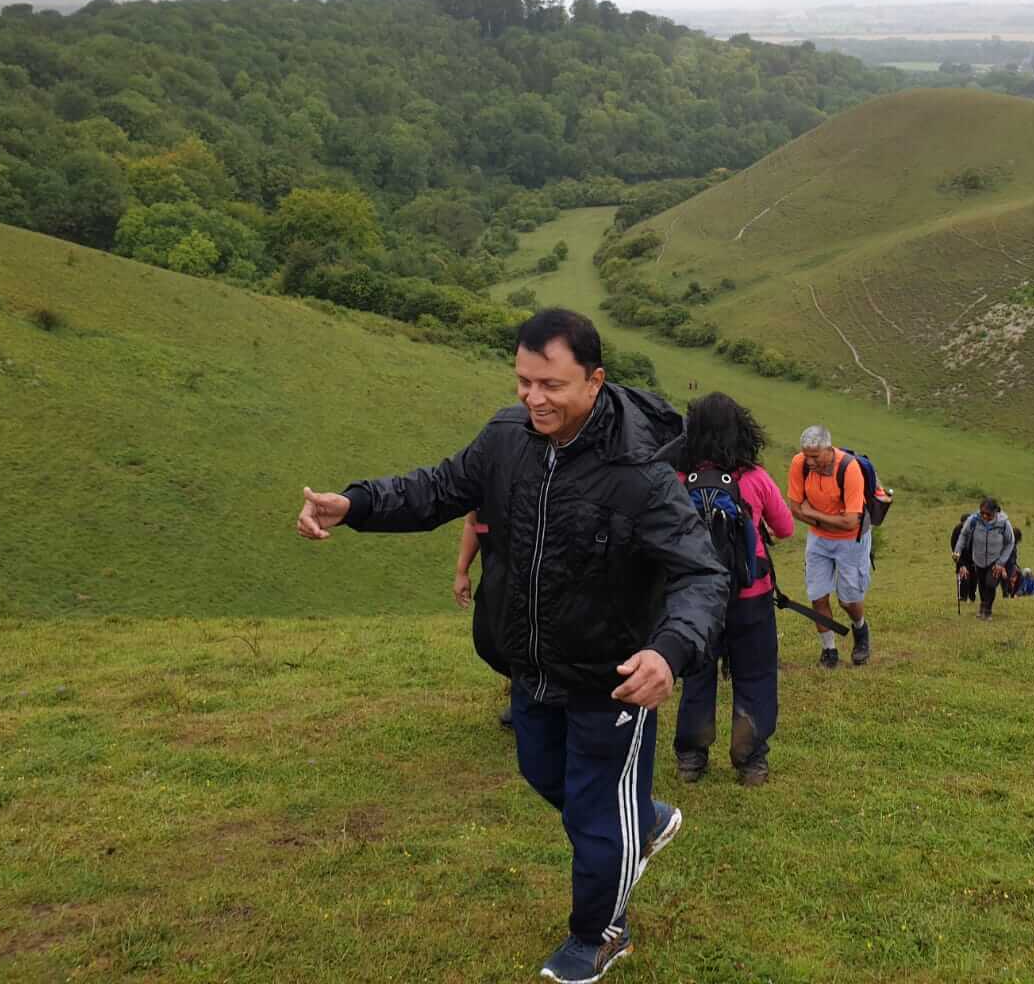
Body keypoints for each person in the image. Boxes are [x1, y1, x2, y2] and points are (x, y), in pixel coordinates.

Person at [296, 308, 729, 984]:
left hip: (612, 675)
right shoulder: (506, 440)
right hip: (530, 666)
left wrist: (669, 653)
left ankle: (600, 934)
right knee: (544, 774)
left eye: (551, 384)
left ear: (594, 380)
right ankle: (639, 821)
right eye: (524, 381)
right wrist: (354, 506)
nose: (533, 398)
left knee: (592, 816)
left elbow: (702, 574)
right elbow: (437, 489)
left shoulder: (639, 472)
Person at [672, 393, 795, 787]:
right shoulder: (755, 479)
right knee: (755, 675)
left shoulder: (678, 479)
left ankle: (691, 758)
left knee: (697, 675)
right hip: (751, 593)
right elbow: (787, 528)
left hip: (694, 598)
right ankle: (751, 761)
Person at [786, 425, 872, 667]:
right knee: (817, 596)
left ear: (829, 449)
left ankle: (860, 629)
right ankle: (829, 650)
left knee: (848, 599)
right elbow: (795, 509)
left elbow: (851, 521)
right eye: (806, 455)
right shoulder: (799, 464)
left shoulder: (849, 468)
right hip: (818, 540)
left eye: (815, 456)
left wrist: (813, 513)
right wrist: (828, 521)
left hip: (851, 542)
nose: (809, 461)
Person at [454, 512, 516, 730]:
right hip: (495, 578)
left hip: (534, 580)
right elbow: (475, 524)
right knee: (486, 641)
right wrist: (462, 570)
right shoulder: (484, 485)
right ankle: (525, 688)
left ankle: (531, 699)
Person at [954, 499, 1016, 620]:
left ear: (995, 512)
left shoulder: (1003, 523)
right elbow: (963, 534)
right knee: (982, 584)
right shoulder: (974, 520)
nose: (985, 516)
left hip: (995, 560)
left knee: (991, 584)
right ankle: (982, 606)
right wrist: (958, 550)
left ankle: (987, 610)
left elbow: (1010, 542)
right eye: (982, 513)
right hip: (978, 558)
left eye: (988, 514)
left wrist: (1001, 562)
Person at [951, 512, 977, 609]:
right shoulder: (957, 530)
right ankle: (962, 598)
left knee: (974, 579)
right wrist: (961, 564)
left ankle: (972, 598)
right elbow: (954, 547)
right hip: (961, 557)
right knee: (964, 578)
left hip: (974, 558)